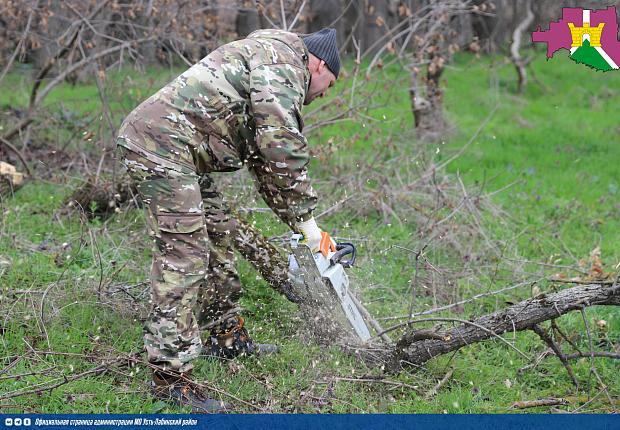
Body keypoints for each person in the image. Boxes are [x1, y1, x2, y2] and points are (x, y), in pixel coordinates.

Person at [116, 28, 340, 412]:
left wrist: (306, 228)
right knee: (184, 256)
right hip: (161, 146)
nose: (322, 95)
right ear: (318, 64)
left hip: (178, 150)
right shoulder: (283, 62)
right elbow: (281, 146)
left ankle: (226, 336)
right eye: (328, 84)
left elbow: (266, 165)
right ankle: (170, 377)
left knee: (218, 232)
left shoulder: (270, 63)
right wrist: (308, 226)